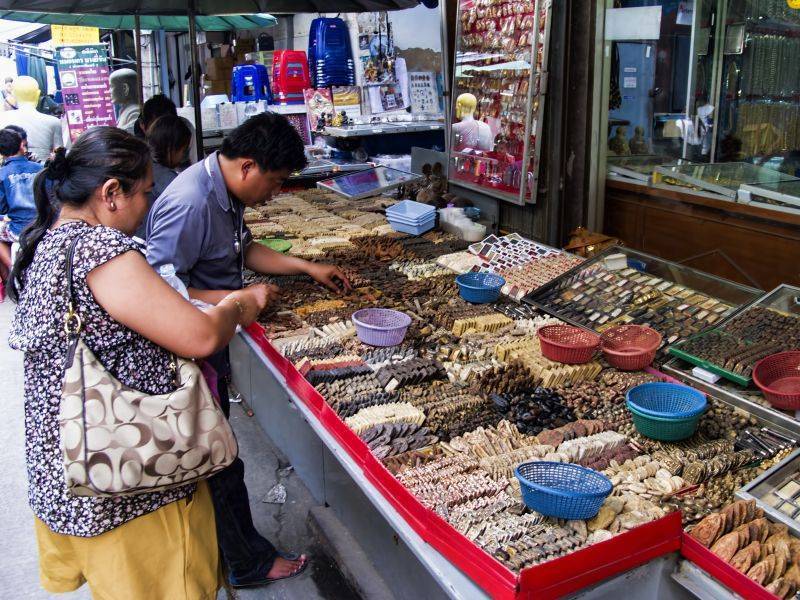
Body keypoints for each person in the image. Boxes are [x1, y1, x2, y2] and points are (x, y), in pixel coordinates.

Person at [8, 127, 272, 598]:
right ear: (111, 193)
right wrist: (240, 303)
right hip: (130, 477)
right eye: (146, 193)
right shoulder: (100, 250)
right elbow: (201, 335)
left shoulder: (44, 244)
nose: (150, 206)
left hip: (74, 466)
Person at [146, 111, 351, 588]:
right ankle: (246, 563)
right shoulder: (192, 202)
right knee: (219, 457)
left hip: (210, 338)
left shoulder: (222, 191)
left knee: (219, 452)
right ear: (248, 167)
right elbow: (157, 290)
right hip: (188, 351)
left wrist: (306, 266)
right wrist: (239, 301)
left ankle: (235, 555)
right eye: (275, 182)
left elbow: (244, 251)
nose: (275, 194)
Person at [133, 113, 192, 239]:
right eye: (183, 150)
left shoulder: (143, 165)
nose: (184, 155)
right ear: (172, 149)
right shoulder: (168, 180)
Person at [0, 127, 42, 282]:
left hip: (17, 230)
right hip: (44, 225)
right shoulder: (40, 169)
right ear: (22, 145)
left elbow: (2, 208)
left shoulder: (2, 174)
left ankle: (13, 270)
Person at [126, 94, 197, 164]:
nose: (162, 138)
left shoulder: (185, 128)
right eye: (156, 131)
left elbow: (196, 160)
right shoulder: (130, 141)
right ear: (142, 126)